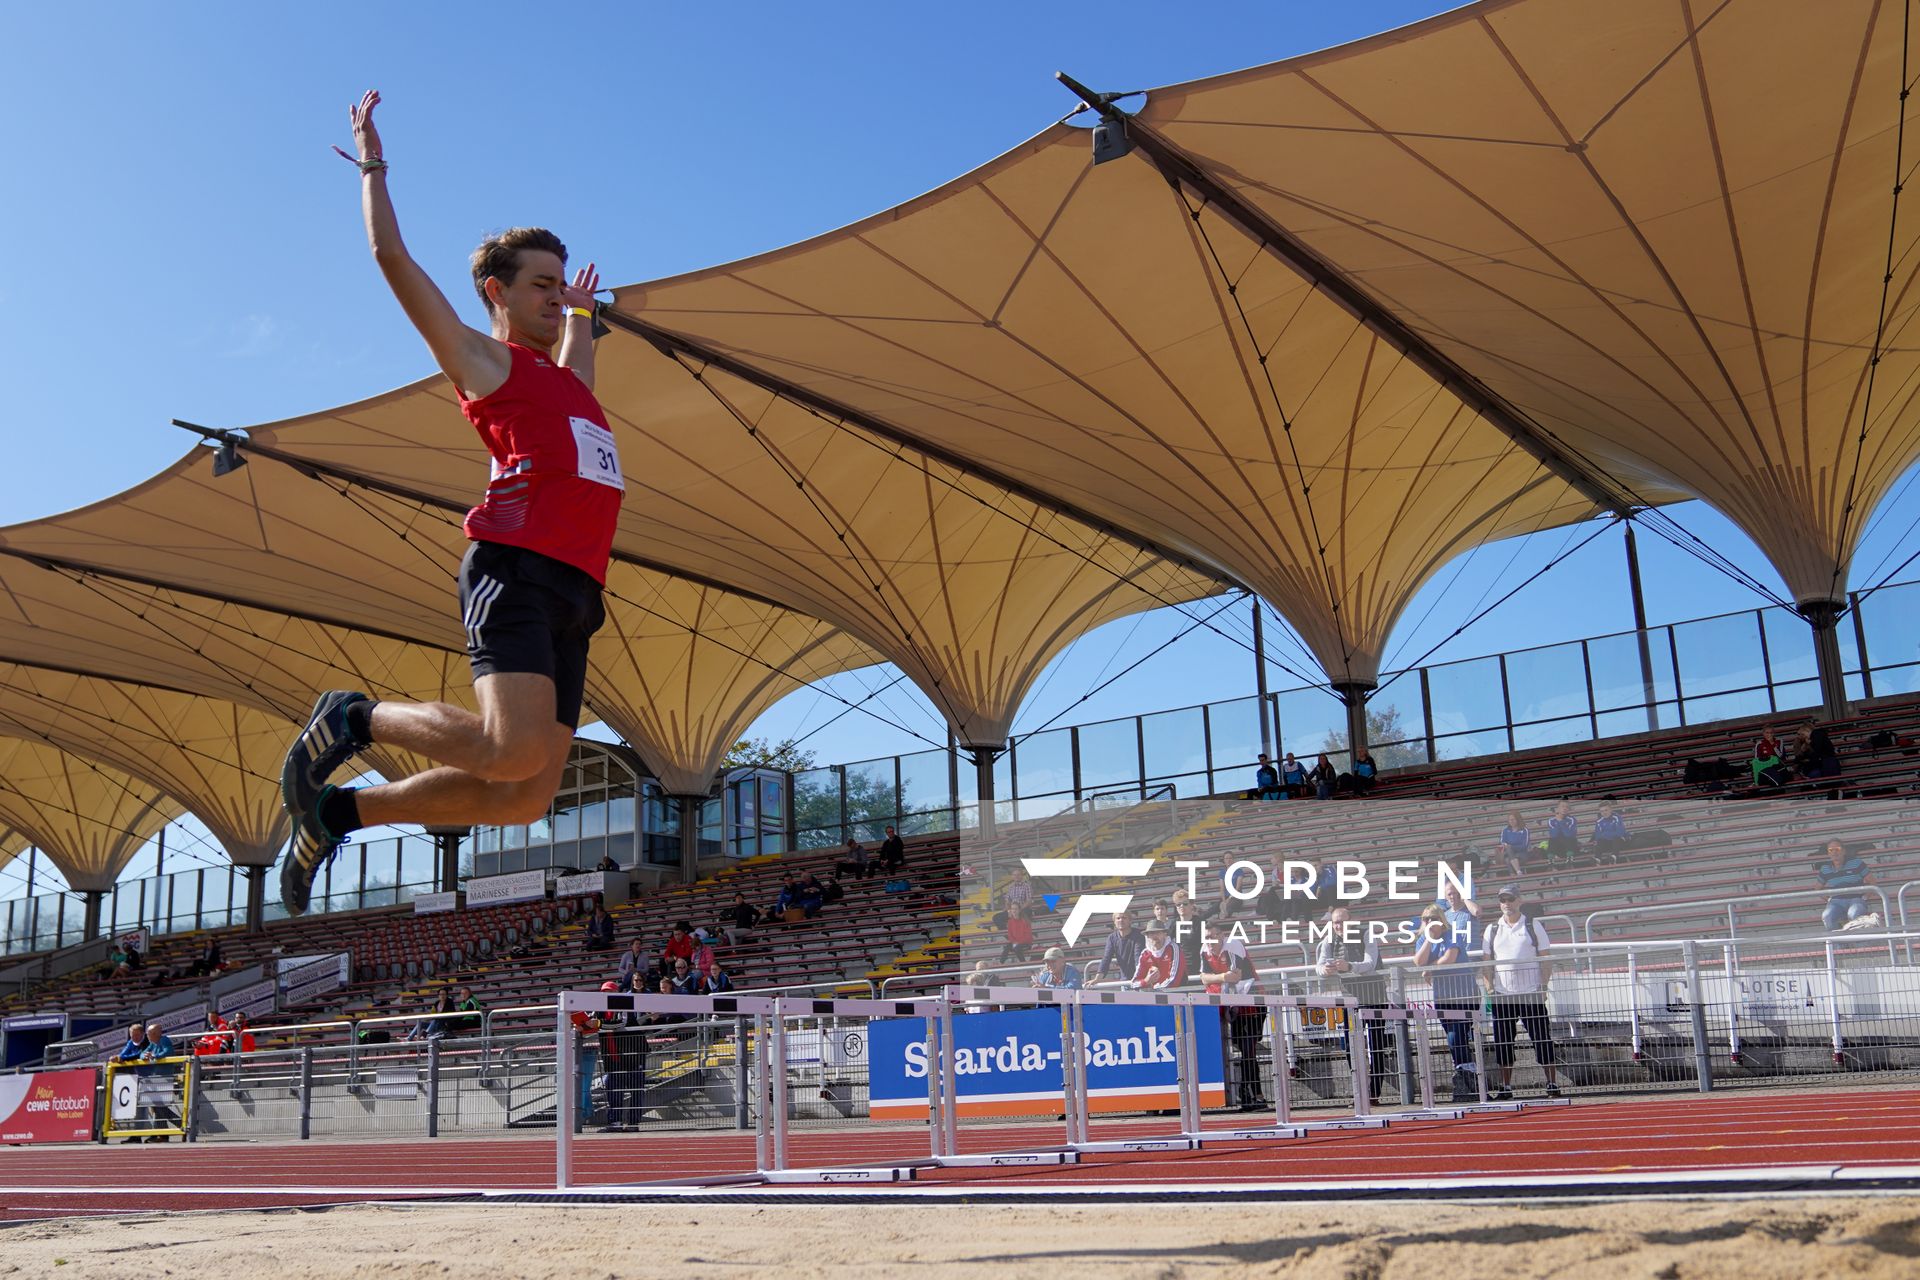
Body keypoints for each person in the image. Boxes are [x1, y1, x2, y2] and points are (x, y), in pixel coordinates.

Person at [278, 90, 619, 916]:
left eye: (559, 287)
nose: (554, 297)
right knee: (506, 749)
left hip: (579, 589)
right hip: (518, 566)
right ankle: (356, 717)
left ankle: (341, 811)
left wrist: (581, 314)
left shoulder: (567, 379)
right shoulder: (485, 362)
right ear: (496, 294)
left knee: (523, 794)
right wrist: (373, 167)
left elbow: (577, 345)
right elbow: (393, 260)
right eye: (538, 285)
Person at [1482, 889, 1560, 1100]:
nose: (1506, 903)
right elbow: (1486, 962)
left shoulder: (1532, 926)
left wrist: (1542, 987)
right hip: (1503, 995)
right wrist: (1490, 989)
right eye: (1502, 900)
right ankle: (1506, 1086)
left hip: (1530, 993)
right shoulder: (1492, 929)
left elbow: (1545, 959)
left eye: (1510, 899)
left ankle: (1552, 1082)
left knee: (1542, 1038)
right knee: (1503, 1042)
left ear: (1519, 900)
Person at [1316, 906, 1392, 1104]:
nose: (1338, 926)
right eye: (1335, 923)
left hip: (1374, 997)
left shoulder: (1365, 934)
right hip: (1349, 1000)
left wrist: (1350, 966)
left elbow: (1371, 963)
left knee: (1376, 1046)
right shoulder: (1328, 940)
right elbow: (1319, 966)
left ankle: (1373, 1094)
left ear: (1351, 921)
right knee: (1349, 1045)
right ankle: (1360, 1091)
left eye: (1341, 921)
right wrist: (1325, 969)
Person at [1414, 904, 1480, 1102]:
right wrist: (1427, 937)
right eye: (1426, 919)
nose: (1429, 922)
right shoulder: (1423, 939)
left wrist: (1431, 969)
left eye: (1433, 918)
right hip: (1443, 998)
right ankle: (1468, 1081)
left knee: (1455, 1038)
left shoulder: (1452, 934)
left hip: (1464, 995)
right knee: (1456, 1040)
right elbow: (1418, 961)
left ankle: (1465, 1077)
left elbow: (1449, 958)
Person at [601, 993, 648, 1132]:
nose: (605, 995)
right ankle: (615, 1122)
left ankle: (633, 1123)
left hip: (633, 1055)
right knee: (613, 1089)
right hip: (614, 1058)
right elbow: (592, 1024)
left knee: (636, 1090)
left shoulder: (623, 1007)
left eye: (608, 991)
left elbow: (622, 1022)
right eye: (603, 991)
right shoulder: (600, 1010)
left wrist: (598, 1024)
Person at [1816, 839, 1875, 931]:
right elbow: (1817, 889)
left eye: (1837, 849)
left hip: (1856, 899)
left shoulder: (1856, 863)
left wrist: (1865, 897)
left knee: (1853, 913)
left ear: (1843, 851)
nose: (1834, 852)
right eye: (1831, 850)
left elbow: (1873, 882)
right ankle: (1838, 944)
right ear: (1828, 853)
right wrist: (1828, 899)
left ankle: (1858, 943)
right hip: (1836, 901)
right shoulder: (1825, 868)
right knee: (1827, 916)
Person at [570, 994, 606, 1128]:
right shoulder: (580, 1016)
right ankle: (585, 1113)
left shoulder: (597, 1016)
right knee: (579, 1085)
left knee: (584, 1085)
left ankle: (585, 1114)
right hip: (576, 1051)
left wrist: (583, 1029)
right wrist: (575, 1029)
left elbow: (597, 1030)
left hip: (589, 1050)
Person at [1090, 909, 1144, 985]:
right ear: (1114, 922)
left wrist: (1139, 977)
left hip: (1140, 979)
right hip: (1125, 980)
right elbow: (1106, 958)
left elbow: (1138, 957)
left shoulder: (1139, 935)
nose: (1121, 920)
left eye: (1124, 918)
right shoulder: (1112, 938)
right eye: (1118, 918)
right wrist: (1097, 979)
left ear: (1130, 921)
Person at [1128, 922, 1185, 990]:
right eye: (1151, 933)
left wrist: (1155, 988)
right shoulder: (1145, 954)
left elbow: (1174, 980)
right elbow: (1133, 983)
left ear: (1165, 934)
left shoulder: (1173, 949)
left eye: (1158, 933)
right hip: (1153, 997)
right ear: (1147, 936)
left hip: (1176, 995)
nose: (1155, 936)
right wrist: (1146, 981)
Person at [1590, 799, 1629, 865]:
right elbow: (1598, 836)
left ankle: (1614, 857)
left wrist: (1605, 834)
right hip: (1607, 843)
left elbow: (1620, 833)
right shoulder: (1599, 821)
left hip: (1619, 842)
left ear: (1611, 810)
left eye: (1606, 810)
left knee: (1616, 839)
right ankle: (1597, 859)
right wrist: (1609, 834)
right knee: (1599, 841)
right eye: (1602, 811)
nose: (1604, 813)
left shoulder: (1617, 817)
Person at [1544, 800, 1579, 866]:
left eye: (1567, 807)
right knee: (1552, 840)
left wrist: (1560, 821)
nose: (1565, 808)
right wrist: (1558, 821)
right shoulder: (1551, 820)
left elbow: (1569, 834)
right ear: (1558, 808)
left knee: (1569, 838)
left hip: (1570, 847)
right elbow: (1553, 835)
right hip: (1558, 847)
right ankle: (1550, 859)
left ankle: (1570, 857)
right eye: (1562, 806)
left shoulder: (1572, 819)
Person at [1497, 811, 1531, 878]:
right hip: (1509, 853)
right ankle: (1518, 872)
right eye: (1510, 820)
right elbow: (1502, 842)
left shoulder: (1525, 830)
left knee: (1508, 858)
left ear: (1518, 819)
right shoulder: (1505, 830)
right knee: (1508, 854)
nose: (1511, 821)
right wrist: (1509, 847)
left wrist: (1512, 847)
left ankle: (1512, 875)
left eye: (1513, 819)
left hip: (1522, 854)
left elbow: (1524, 845)